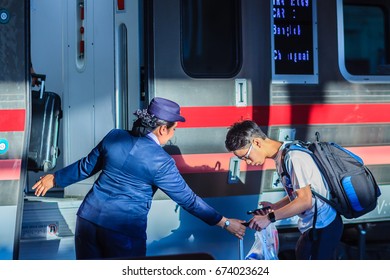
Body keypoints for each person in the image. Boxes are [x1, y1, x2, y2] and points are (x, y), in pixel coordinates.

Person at [32, 97, 246, 260]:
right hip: (122, 231)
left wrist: (55, 179)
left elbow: (86, 166)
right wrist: (225, 222)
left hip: (88, 220)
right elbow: (188, 200)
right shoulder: (161, 161)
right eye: (173, 130)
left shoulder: (115, 136)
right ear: (163, 129)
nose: (172, 135)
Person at [224, 120, 343, 260]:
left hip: (323, 226)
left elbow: (305, 201)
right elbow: (301, 193)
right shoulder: (282, 156)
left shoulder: (293, 157)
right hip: (315, 227)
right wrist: (274, 207)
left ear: (257, 143)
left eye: (245, 156)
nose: (247, 162)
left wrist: (269, 218)